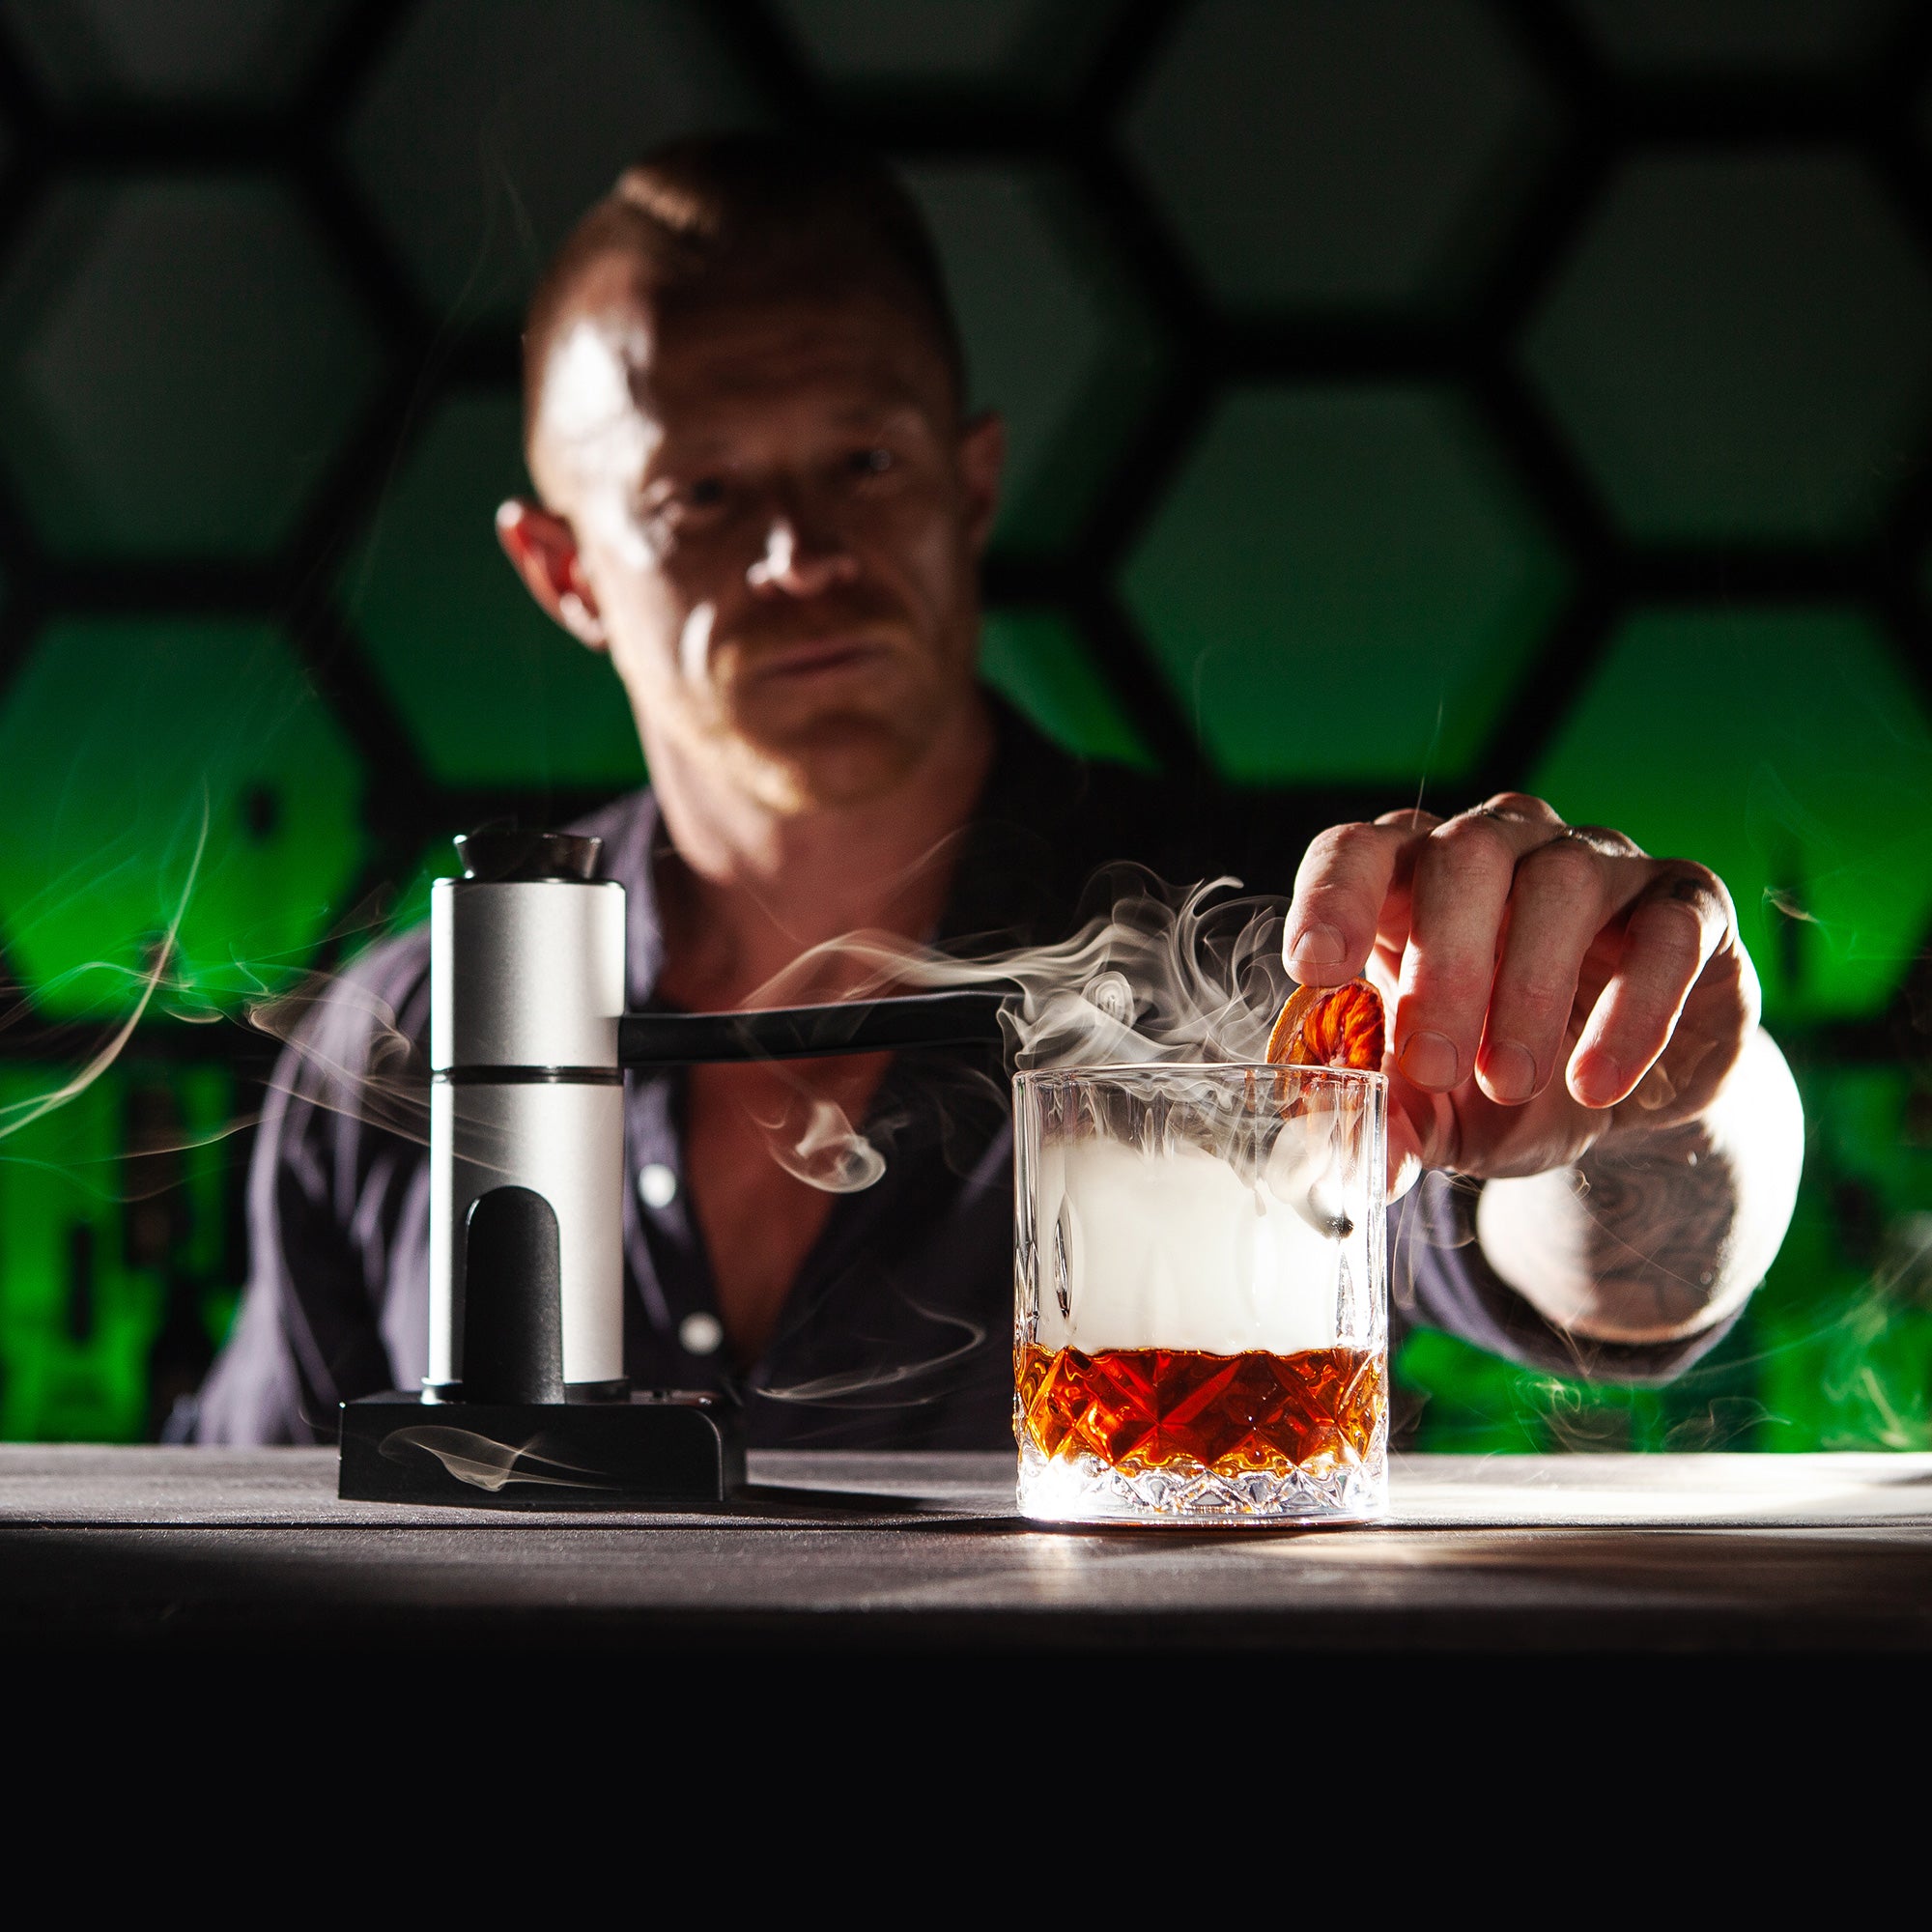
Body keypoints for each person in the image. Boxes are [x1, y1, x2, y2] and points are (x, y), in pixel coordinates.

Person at [188, 134, 1804, 1448]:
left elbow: (1618, 1269)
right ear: (564, 572)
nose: (802, 554)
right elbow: (250, 1558)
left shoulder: (1267, 948)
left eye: (866, 463)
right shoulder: (404, 1044)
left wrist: (1669, 1083)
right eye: (701, 495)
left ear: (972, 483)